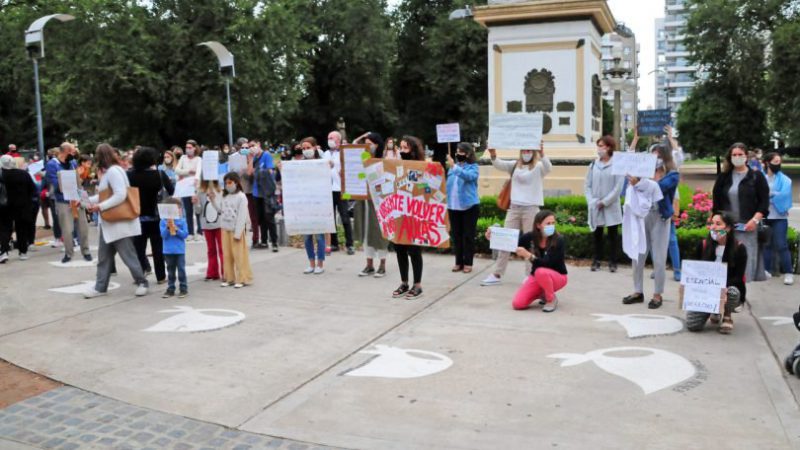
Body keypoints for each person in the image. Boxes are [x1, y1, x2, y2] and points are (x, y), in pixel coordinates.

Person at [481, 143, 551, 286]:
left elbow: (549, 168)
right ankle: (497, 273)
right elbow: (499, 164)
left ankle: (530, 274)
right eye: (524, 150)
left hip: (531, 209)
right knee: (506, 240)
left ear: (533, 151)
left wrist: (542, 153)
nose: (526, 152)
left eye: (529, 150)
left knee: (531, 243)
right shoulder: (514, 165)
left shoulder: (538, 167)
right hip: (514, 208)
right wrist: (493, 154)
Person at [84, 144, 149, 299]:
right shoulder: (112, 171)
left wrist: (99, 206)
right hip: (111, 223)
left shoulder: (113, 172)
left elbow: (120, 195)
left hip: (119, 223)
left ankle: (142, 282)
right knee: (105, 258)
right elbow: (106, 196)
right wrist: (85, 201)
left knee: (127, 256)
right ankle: (101, 287)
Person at [622, 144, 679, 309]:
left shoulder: (672, 174)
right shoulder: (643, 172)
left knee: (659, 258)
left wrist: (640, 182)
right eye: (652, 155)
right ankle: (637, 291)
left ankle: (657, 294)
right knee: (637, 254)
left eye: (658, 155)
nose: (655, 158)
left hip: (660, 217)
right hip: (642, 216)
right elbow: (628, 165)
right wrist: (634, 142)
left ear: (665, 157)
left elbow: (659, 188)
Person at [712, 143, 770, 291]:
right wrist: (717, 222)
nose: (737, 157)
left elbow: (764, 202)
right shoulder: (724, 177)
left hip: (747, 227)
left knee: (743, 266)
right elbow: (716, 201)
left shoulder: (756, 176)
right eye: (734, 155)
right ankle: (724, 297)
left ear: (746, 156)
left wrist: (755, 220)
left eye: (740, 154)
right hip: (726, 228)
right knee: (725, 262)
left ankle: (738, 296)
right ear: (730, 157)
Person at [686, 212, 747, 334]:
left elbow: (738, 277)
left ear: (728, 228)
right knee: (693, 325)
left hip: (727, 289)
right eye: (712, 223)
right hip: (705, 292)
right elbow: (692, 269)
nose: (713, 227)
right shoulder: (703, 245)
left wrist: (721, 287)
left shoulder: (739, 248)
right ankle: (714, 310)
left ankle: (727, 315)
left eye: (718, 224)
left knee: (733, 292)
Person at [507, 210, 568, 313]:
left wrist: (529, 255)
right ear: (538, 225)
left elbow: (547, 263)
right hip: (537, 276)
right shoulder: (531, 237)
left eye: (553, 223)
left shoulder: (558, 240)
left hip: (558, 277)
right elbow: (511, 242)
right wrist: (493, 236)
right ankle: (542, 293)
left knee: (540, 271)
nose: (551, 226)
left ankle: (551, 299)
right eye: (548, 223)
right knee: (518, 304)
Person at [128, 147, 173, 285]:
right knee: (158, 248)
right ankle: (161, 276)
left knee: (138, 249)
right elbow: (171, 190)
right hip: (157, 216)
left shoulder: (130, 175)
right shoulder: (160, 174)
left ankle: (140, 274)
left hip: (137, 217)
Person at [392, 136, 427, 299]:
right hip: (399, 213)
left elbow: (427, 190)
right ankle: (404, 282)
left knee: (414, 251)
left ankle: (417, 285)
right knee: (399, 249)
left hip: (414, 214)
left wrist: (415, 184)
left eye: (405, 148)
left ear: (413, 150)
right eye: (400, 147)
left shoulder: (421, 167)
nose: (401, 151)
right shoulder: (395, 167)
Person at [45, 142, 91, 263]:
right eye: (72, 151)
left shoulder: (73, 162)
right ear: (65, 151)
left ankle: (86, 251)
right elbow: (56, 183)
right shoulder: (52, 164)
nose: (74, 154)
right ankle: (69, 253)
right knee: (67, 229)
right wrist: (74, 178)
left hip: (77, 198)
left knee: (83, 227)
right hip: (63, 200)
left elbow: (78, 181)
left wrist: (81, 177)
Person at [584, 135, 624, 272]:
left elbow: (618, 187)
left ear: (609, 147)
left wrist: (605, 202)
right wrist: (591, 201)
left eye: (602, 146)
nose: (599, 149)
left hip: (610, 205)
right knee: (597, 236)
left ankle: (613, 262)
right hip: (596, 206)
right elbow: (587, 185)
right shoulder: (593, 165)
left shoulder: (617, 165)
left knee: (613, 236)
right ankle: (596, 261)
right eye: (598, 146)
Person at [354, 133, 389, 278]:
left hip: (380, 203)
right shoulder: (363, 160)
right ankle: (369, 265)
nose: (368, 146)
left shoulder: (383, 161)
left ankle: (382, 265)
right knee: (366, 232)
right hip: (364, 200)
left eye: (370, 143)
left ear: (377, 144)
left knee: (379, 233)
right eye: (366, 143)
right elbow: (354, 144)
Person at [446, 142, 480, 273]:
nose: (458, 154)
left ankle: (468, 263)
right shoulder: (452, 168)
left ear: (467, 154)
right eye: (457, 152)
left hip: (469, 207)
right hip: (453, 207)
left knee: (468, 236)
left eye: (461, 152)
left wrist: (454, 166)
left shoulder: (473, 167)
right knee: (456, 236)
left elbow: (469, 177)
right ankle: (458, 262)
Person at [762, 152, 794, 285]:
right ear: (767, 163)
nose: (778, 164)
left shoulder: (785, 179)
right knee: (766, 244)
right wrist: (771, 194)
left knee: (781, 245)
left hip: (779, 217)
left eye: (779, 162)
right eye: (775, 162)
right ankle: (765, 270)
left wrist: (769, 195)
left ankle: (788, 273)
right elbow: (755, 194)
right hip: (763, 216)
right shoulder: (760, 177)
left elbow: (785, 195)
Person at [297, 137, 327, 274]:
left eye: (308, 147)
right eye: (303, 148)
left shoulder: (323, 161)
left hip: (319, 203)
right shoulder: (299, 164)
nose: (305, 150)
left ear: (315, 147)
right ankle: (311, 263)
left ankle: (320, 263)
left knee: (320, 236)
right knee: (307, 235)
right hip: (305, 204)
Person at [0, 155, 37, 262]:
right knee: (22, 229)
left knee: (5, 229)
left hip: (4, 207)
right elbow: (33, 190)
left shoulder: (2, 175)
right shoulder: (24, 174)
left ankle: (4, 251)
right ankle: (23, 252)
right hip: (22, 206)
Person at [220, 172, 252, 288]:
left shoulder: (241, 197)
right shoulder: (224, 196)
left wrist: (238, 233)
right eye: (226, 183)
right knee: (227, 255)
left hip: (235, 230)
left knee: (239, 255)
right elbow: (220, 210)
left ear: (236, 183)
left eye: (230, 182)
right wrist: (213, 200)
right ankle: (229, 278)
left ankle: (242, 278)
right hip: (225, 229)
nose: (227, 185)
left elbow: (242, 216)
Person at [326, 130, 355, 254]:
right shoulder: (326, 153)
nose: (329, 140)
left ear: (338, 140)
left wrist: (344, 171)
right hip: (328, 190)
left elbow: (352, 169)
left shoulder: (344, 152)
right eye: (328, 138)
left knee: (345, 217)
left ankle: (350, 245)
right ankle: (334, 243)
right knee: (330, 218)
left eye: (331, 138)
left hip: (342, 190)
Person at [250, 140, 280, 251]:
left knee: (269, 217)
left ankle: (274, 242)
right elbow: (250, 172)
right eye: (250, 146)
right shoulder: (252, 158)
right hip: (256, 192)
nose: (252, 148)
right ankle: (264, 241)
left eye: (253, 145)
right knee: (261, 218)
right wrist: (250, 159)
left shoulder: (266, 155)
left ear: (259, 144)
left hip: (266, 192)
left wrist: (258, 171)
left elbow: (270, 171)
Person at [160, 198, 189, 298]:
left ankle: (183, 288)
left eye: (179, 208)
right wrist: (168, 227)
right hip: (168, 250)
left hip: (179, 250)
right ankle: (170, 288)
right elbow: (163, 235)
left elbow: (185, 235)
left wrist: (177, 229)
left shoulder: (182, 221)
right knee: (170, 271)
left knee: (181, 270)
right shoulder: (163, 221)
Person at [175, 139, 202, 240]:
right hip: (185, 187)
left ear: (195, 148)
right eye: (186, 147)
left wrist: (195, 179)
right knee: (188, 210)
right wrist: (188, 171)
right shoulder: (182, 158)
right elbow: (177, 170)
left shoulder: (198, 159)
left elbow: (198, 172)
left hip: (195, 186)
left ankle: (200, 231)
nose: (188, 149)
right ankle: (190, 232)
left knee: (198, 209)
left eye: (190, 147)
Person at [198, 178, 224, 280]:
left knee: (222, 249)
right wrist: (196, 203)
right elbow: (198, 210)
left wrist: (213, 199)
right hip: (206, 224)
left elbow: (221, 209)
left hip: (219, 224)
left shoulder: (220, 191)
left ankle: (225, 272)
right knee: (211, 249)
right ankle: (212, 272)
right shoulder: (200, 192)